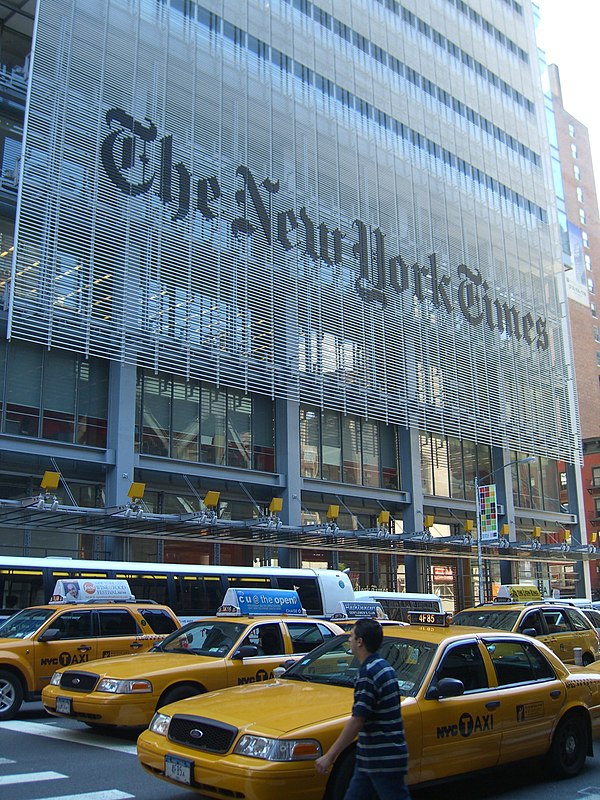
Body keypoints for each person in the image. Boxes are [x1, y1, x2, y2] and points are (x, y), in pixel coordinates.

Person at [315, 618, 410, 800]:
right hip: (372, 757)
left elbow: (358, 719)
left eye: (352, 636)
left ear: (360, 642)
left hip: (381, 758)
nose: (349, 640)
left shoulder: (368, 673)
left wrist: (330, 756)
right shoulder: (385, 668)